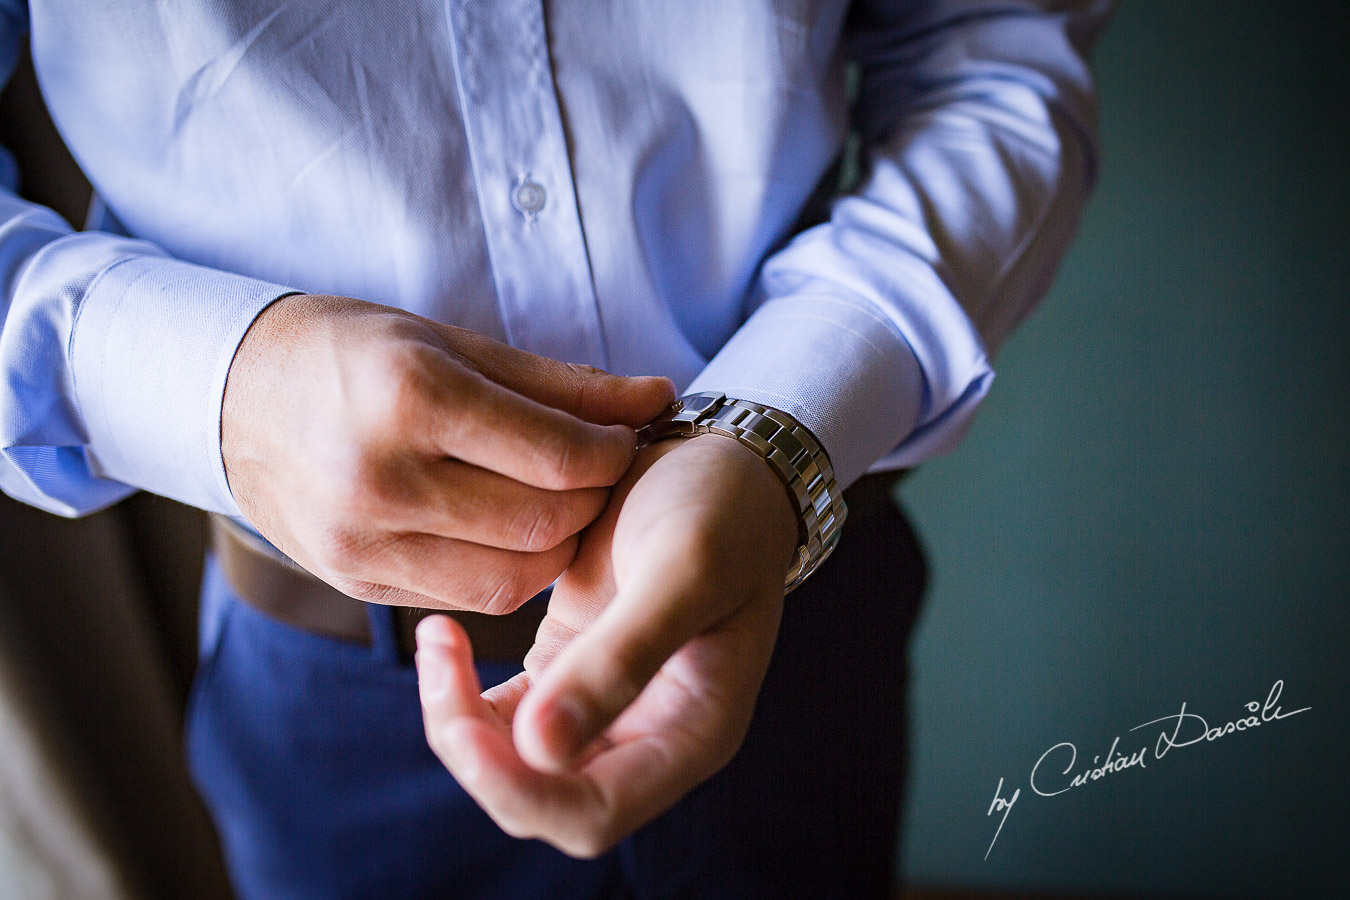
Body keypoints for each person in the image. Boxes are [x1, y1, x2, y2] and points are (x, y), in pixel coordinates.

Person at [0, 1, 1111, 897]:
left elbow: (992, 55)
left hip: (801, 613)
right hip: (329, 681)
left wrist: (776, 430)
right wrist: (221, 388)